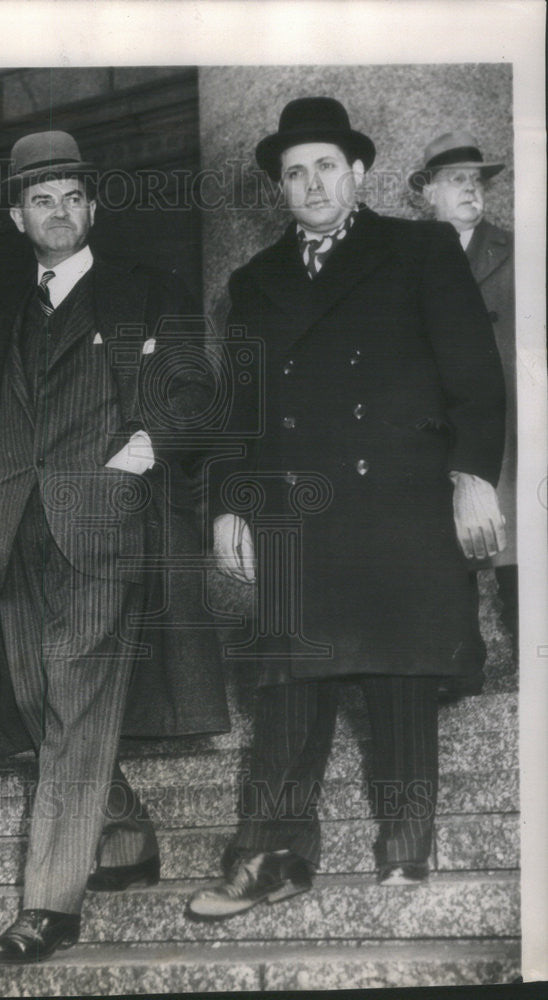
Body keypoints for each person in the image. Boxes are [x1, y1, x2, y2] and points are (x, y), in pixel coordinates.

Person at [188, 97, 506, 920]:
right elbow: (243, 407)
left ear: (358, 173)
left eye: (327, 164)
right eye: (295, 172)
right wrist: (228, 504)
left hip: (400, 495)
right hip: (301, 506)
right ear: (279, 189)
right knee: (289, 682)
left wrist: (473, 474)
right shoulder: (253, 282)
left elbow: (475, 377)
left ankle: (406, 843)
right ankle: (269, 857)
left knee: (402, 675)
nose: (312, 182)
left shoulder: (420, 248)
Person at [0, 130, 228, 962]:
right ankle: (123, 841)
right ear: (18, 217)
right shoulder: (4, 315)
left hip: (106, 528)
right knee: (42, 703)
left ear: (93, 206)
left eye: (74, 196)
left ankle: (49, 905)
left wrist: (129, 462)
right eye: (43, 199)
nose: (61, 212)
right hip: (16, 531)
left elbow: (192, 393)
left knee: (73, 700)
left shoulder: (146, 290)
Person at [408, 131, 517, 641]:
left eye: (476, 181)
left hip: (515, 425)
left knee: (520, 546)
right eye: (456, 180)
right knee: (449, 552)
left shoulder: (518, 251)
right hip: (443, 427)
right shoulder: (407, 262)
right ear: (428, 193)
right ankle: (461, 667)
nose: (471, 190)